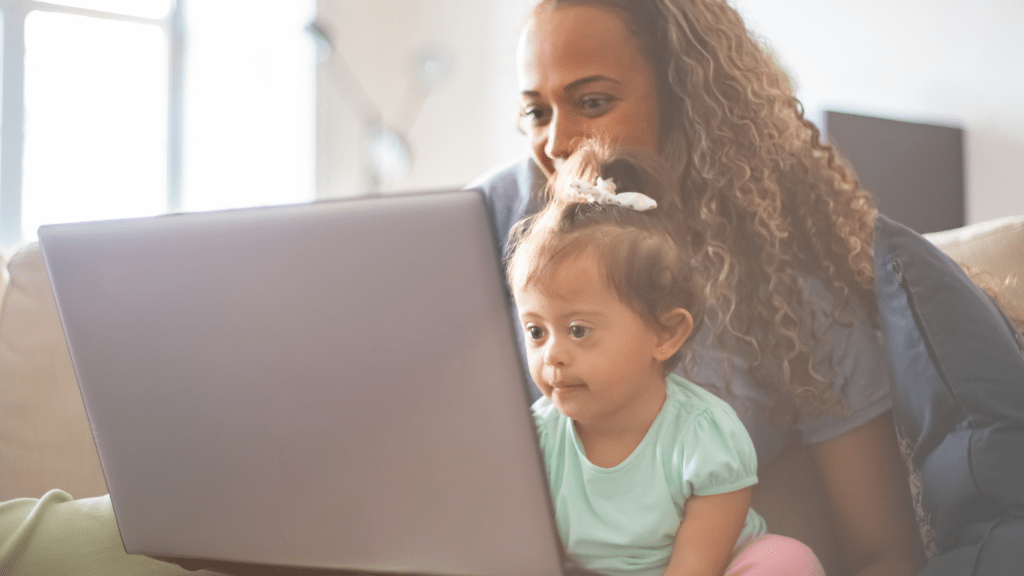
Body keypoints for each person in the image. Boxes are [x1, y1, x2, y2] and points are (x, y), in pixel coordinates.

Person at [468, 1, 928, 574]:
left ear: (680, 99)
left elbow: (883, 550)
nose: (557, 143)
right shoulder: (491, 221)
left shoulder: (789, 291)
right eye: (536, 112)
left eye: (592, 102)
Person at [507, 142, 825, 576]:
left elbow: (696, 567)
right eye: (536, 331)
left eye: (578, 330)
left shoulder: (703, 437)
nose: (553, 354)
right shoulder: (535, 440)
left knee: (786, 560)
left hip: (706, 568)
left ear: (665, 334)